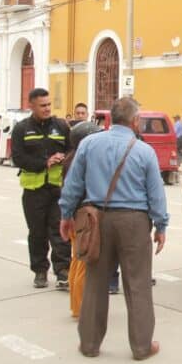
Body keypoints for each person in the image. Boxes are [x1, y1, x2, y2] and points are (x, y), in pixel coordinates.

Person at [58, 97, 168, 360]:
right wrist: (161, 225)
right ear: (135, 121)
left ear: (110, 119)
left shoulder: (89, 144)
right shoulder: (144, 151)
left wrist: (66, 214)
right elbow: (156, 194)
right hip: (134, 222)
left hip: (97, 219)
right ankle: (142, 347)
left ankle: (89, 344)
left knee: (95, 282)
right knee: (138, 284)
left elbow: (73, 184)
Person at [12, 88, 72, 289]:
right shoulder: (21, 129)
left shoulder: (61, 126)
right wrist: (44, 163)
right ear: (31, 106)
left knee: (60, 230)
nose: (47, 109)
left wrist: (64, 158)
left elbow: (72, 150)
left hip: (57, 189)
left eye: (48, 105)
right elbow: (18, 158)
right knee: (37, 233)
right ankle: (40, 271)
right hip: (34, 190)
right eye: (42, 105)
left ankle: (63, 271)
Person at [63, 121, 104, 318]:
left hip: (76, 217)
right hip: (83, 217)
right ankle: (81, 308)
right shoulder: (79, 162)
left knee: (77, 260)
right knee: (84, 264)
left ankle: (77, 305)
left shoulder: (73, 159)